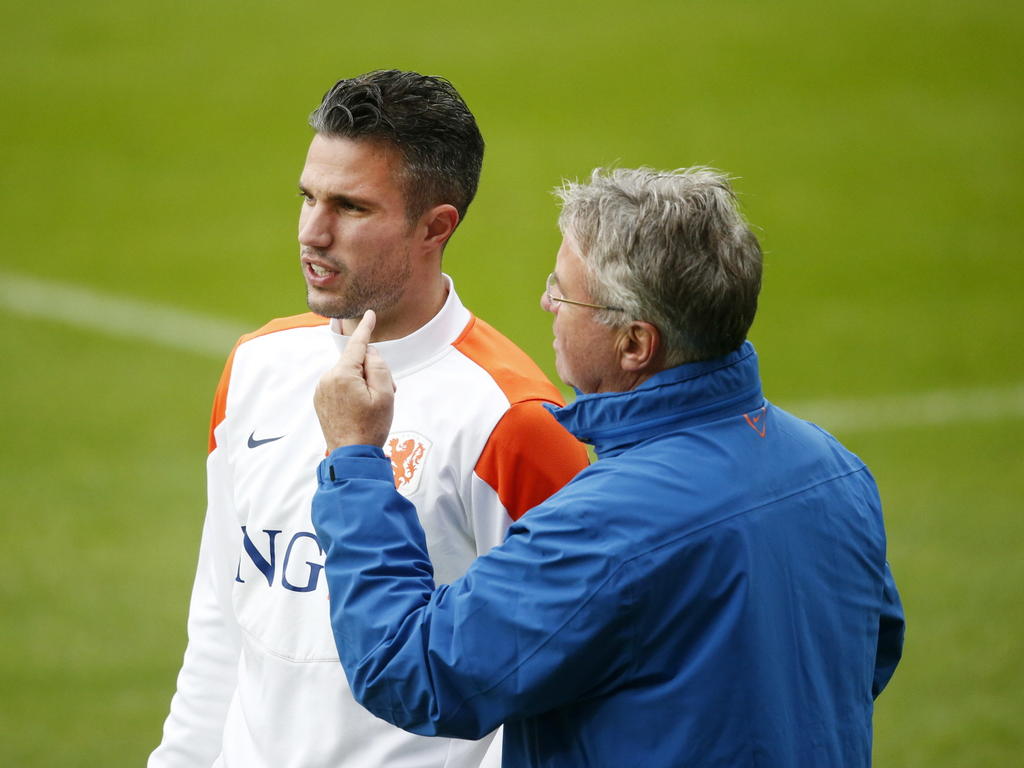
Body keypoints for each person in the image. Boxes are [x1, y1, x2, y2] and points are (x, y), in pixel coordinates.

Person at [310, 167, 906, 767]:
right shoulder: (837, 472)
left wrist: (356, 459)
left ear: (635, 345)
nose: (546, 302)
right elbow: (864, 655)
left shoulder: (604, 526)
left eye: (563, 291)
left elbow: (409, 671)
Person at [149, 70, 589, 768]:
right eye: (307, 197)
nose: (311, 232)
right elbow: (223, 621)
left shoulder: (514, 422)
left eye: (350, 207)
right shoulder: (255, 367)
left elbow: (552, 681)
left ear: (435, 226)